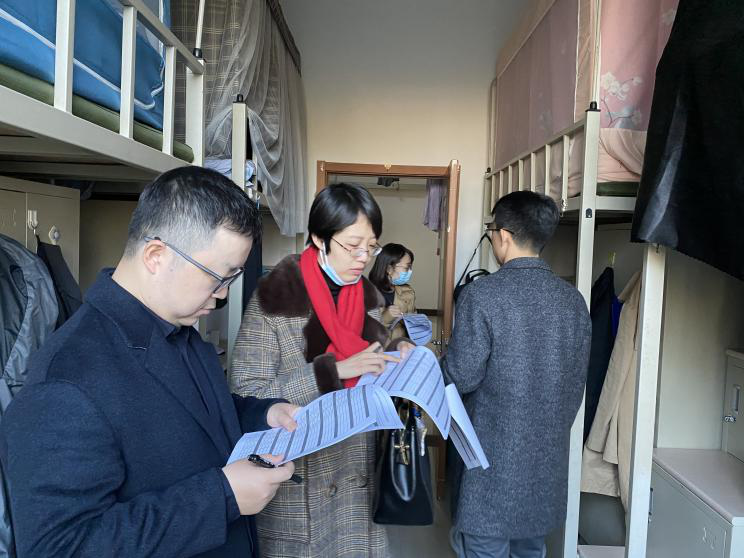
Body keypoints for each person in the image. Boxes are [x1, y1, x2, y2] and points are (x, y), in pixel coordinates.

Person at [0, 167, 300, 558]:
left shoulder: (181, 330)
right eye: (218, 277)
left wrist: (263, 414)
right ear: (156, 256)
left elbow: (197, 418)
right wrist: (222, 497)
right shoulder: (66, 381)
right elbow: (60, 548)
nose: (223, 295)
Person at [229, 183, 413, 557]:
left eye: (372, 246)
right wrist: (332, 371)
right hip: (299, 483)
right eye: (352, 245)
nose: (363, 258)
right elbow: (246, 392)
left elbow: (371, 362)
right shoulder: (274, 297)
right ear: (319, 238)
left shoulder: (368, 296)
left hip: (356, 476)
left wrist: (398, 355)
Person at [442, 191, 591, 558]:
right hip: (545, 460)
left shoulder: (482, 295)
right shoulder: (573, 301)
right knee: (531, 548)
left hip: (489, 462)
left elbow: (461, 376)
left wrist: (437, 363)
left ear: (504, 235)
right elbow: (575, 384)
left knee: (483, 547)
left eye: (492, 230)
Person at [369, 243, 417, 340]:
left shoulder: (408, 292)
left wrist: (419, 326)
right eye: (407, 267)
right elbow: (366, 331)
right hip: (378, 348)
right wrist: (385, 318)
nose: (410, 271)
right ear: (389, 269)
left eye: (410, 267)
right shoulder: (368, 293)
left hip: (402, 346)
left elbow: (413, 325)